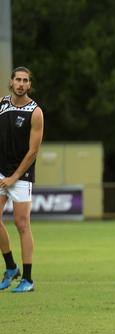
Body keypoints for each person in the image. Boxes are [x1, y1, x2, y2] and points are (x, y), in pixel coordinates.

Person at [0, 66, 44, 293]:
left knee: (22, 224)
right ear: (11, 82)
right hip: (1, 172)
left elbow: (33, 151)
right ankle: (10, 267)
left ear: (29, 85)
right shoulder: (2, 104)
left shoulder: (35, 112)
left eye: (25, 80)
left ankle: (27, 279)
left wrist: (14, 177)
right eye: (17, 79)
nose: (20, 83)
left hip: (21, 175)